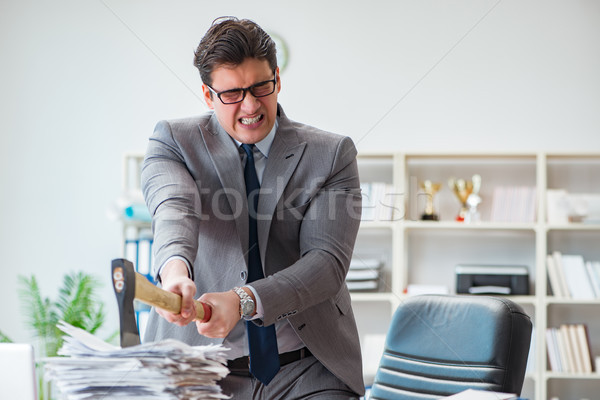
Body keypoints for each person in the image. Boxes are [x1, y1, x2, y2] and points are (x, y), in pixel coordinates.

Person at [141, 16, 364, 399]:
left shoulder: (331, 154)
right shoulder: (174, 141)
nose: (250, 105)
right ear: (208, 96)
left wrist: (244, 301)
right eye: (232, 93)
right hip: (197, 368)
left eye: (261, 86)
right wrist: (174, 271)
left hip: (305, 367)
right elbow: (174, 208)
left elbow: (326, 264)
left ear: (277, 78)